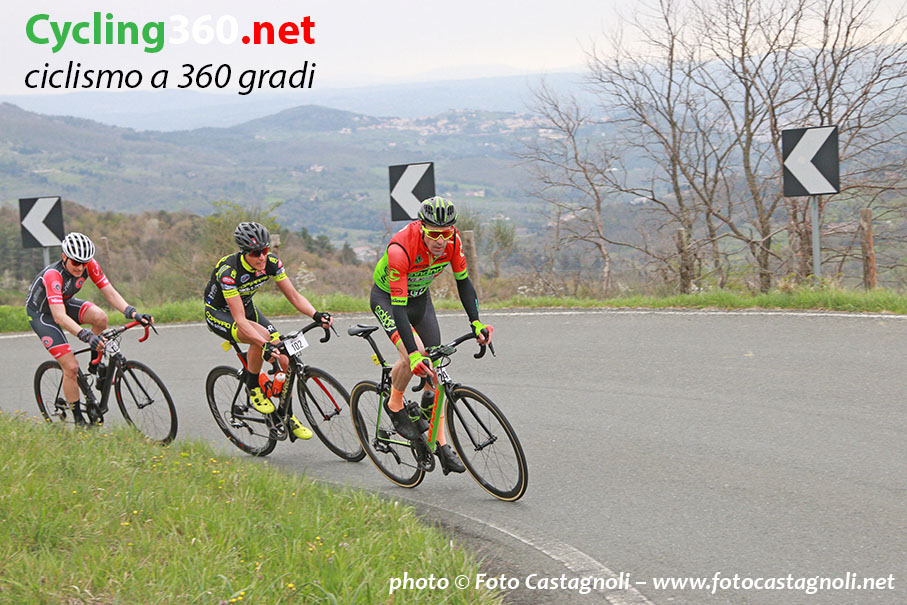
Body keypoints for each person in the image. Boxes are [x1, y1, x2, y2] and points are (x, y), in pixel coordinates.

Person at [371, 196, 493, 474]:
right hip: (389, 301)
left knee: (435, 368)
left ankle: (440, 444)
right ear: (422, 227)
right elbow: (398, 309)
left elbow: (464, 284)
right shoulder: (401, 249)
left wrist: (476, 323)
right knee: (415, 354)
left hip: (420, 300)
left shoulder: (453, 242)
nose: (440, 240)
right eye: (434, 234)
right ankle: (395, 402)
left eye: (446, 233)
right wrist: (413, 355)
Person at [204, 221, 332, 440]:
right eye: (256, 253)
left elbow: (294, 296)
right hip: (220, 314)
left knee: (286, 359)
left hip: (246, 307)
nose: (262, 257)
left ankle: (287, 415)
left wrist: (316, 315)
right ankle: (253, 386)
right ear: (244, 252)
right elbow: (240, 320)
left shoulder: (271, 263)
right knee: (261, 338)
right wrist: (264, 345)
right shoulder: (229, 272)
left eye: (265, 250)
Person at [26, 232, 153, 425]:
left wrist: (132, 313)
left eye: (84, 263)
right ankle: (79, 421)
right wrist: (85, 335)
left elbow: (109, 292)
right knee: (71, 367)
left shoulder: (90, 265)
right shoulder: (53, 275)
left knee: (101, 318)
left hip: (64, 302)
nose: (80, 267)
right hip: (42, 315)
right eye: (76, 262)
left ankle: (95, 363)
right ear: (64, 257)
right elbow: (59, 316)